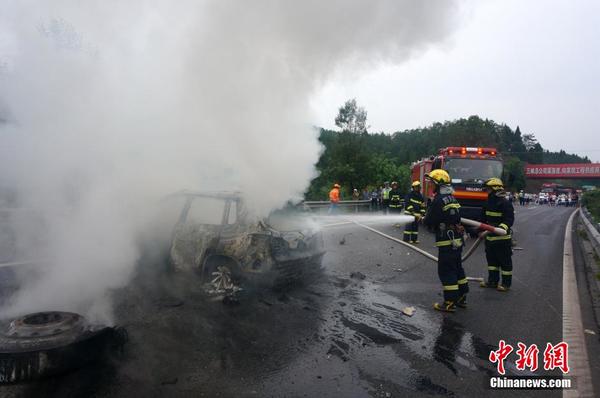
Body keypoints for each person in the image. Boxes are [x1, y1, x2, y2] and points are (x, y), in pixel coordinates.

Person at [424, 169, 468, 312]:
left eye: (432, 183)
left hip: (446, 240)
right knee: (457, 268)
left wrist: (423, 219)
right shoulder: (453, 198)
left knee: (446, 271)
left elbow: (430, 221)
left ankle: (450, 301)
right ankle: (462, 297)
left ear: (438, 184)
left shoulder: (437, 200)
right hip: (457, 239)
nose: (430, 185)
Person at [480, 178, 514, 292]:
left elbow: (509, 220)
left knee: (505, 263)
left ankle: (506, 284)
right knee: (492, 262)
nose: (487, 191)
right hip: (490, 239)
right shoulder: (488, 202)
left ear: (495, 189)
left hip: (502, 239)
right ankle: (492, 282)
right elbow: (483, 219)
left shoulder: (505, 203)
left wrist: (500, 229)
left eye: (488, 189)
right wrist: (479, 230)